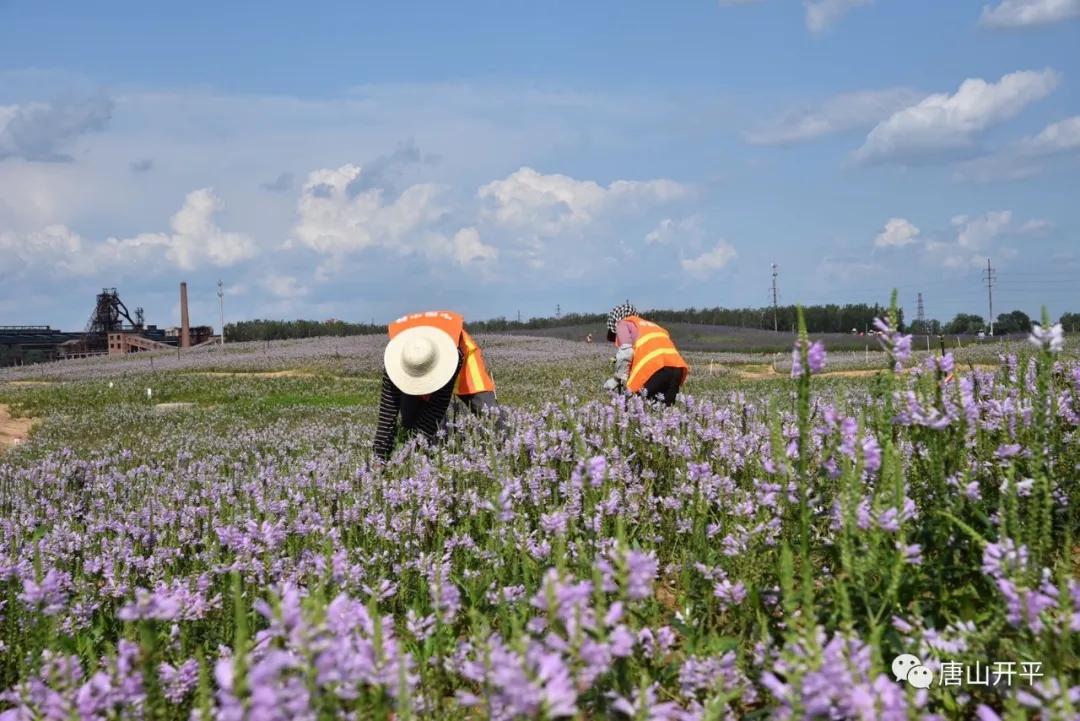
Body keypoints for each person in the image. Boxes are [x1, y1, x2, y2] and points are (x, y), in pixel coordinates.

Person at [373, 310, 503, 460]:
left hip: (460, 352)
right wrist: (379, 455)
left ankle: (504, 450)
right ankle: (423, 454)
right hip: (417, 358)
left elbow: (437, 406)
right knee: (409, 419)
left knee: (488, 411)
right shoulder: (396, 360)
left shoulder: (454, 355)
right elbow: (388, 410)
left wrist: (414, 447)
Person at [602, 301, 689, 406]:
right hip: (677, 369)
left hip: (656, 369)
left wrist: (616, 379)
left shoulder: (622, 323)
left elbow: (626, 352)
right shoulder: (652, 325)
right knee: (665, 409)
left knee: (633, 405)